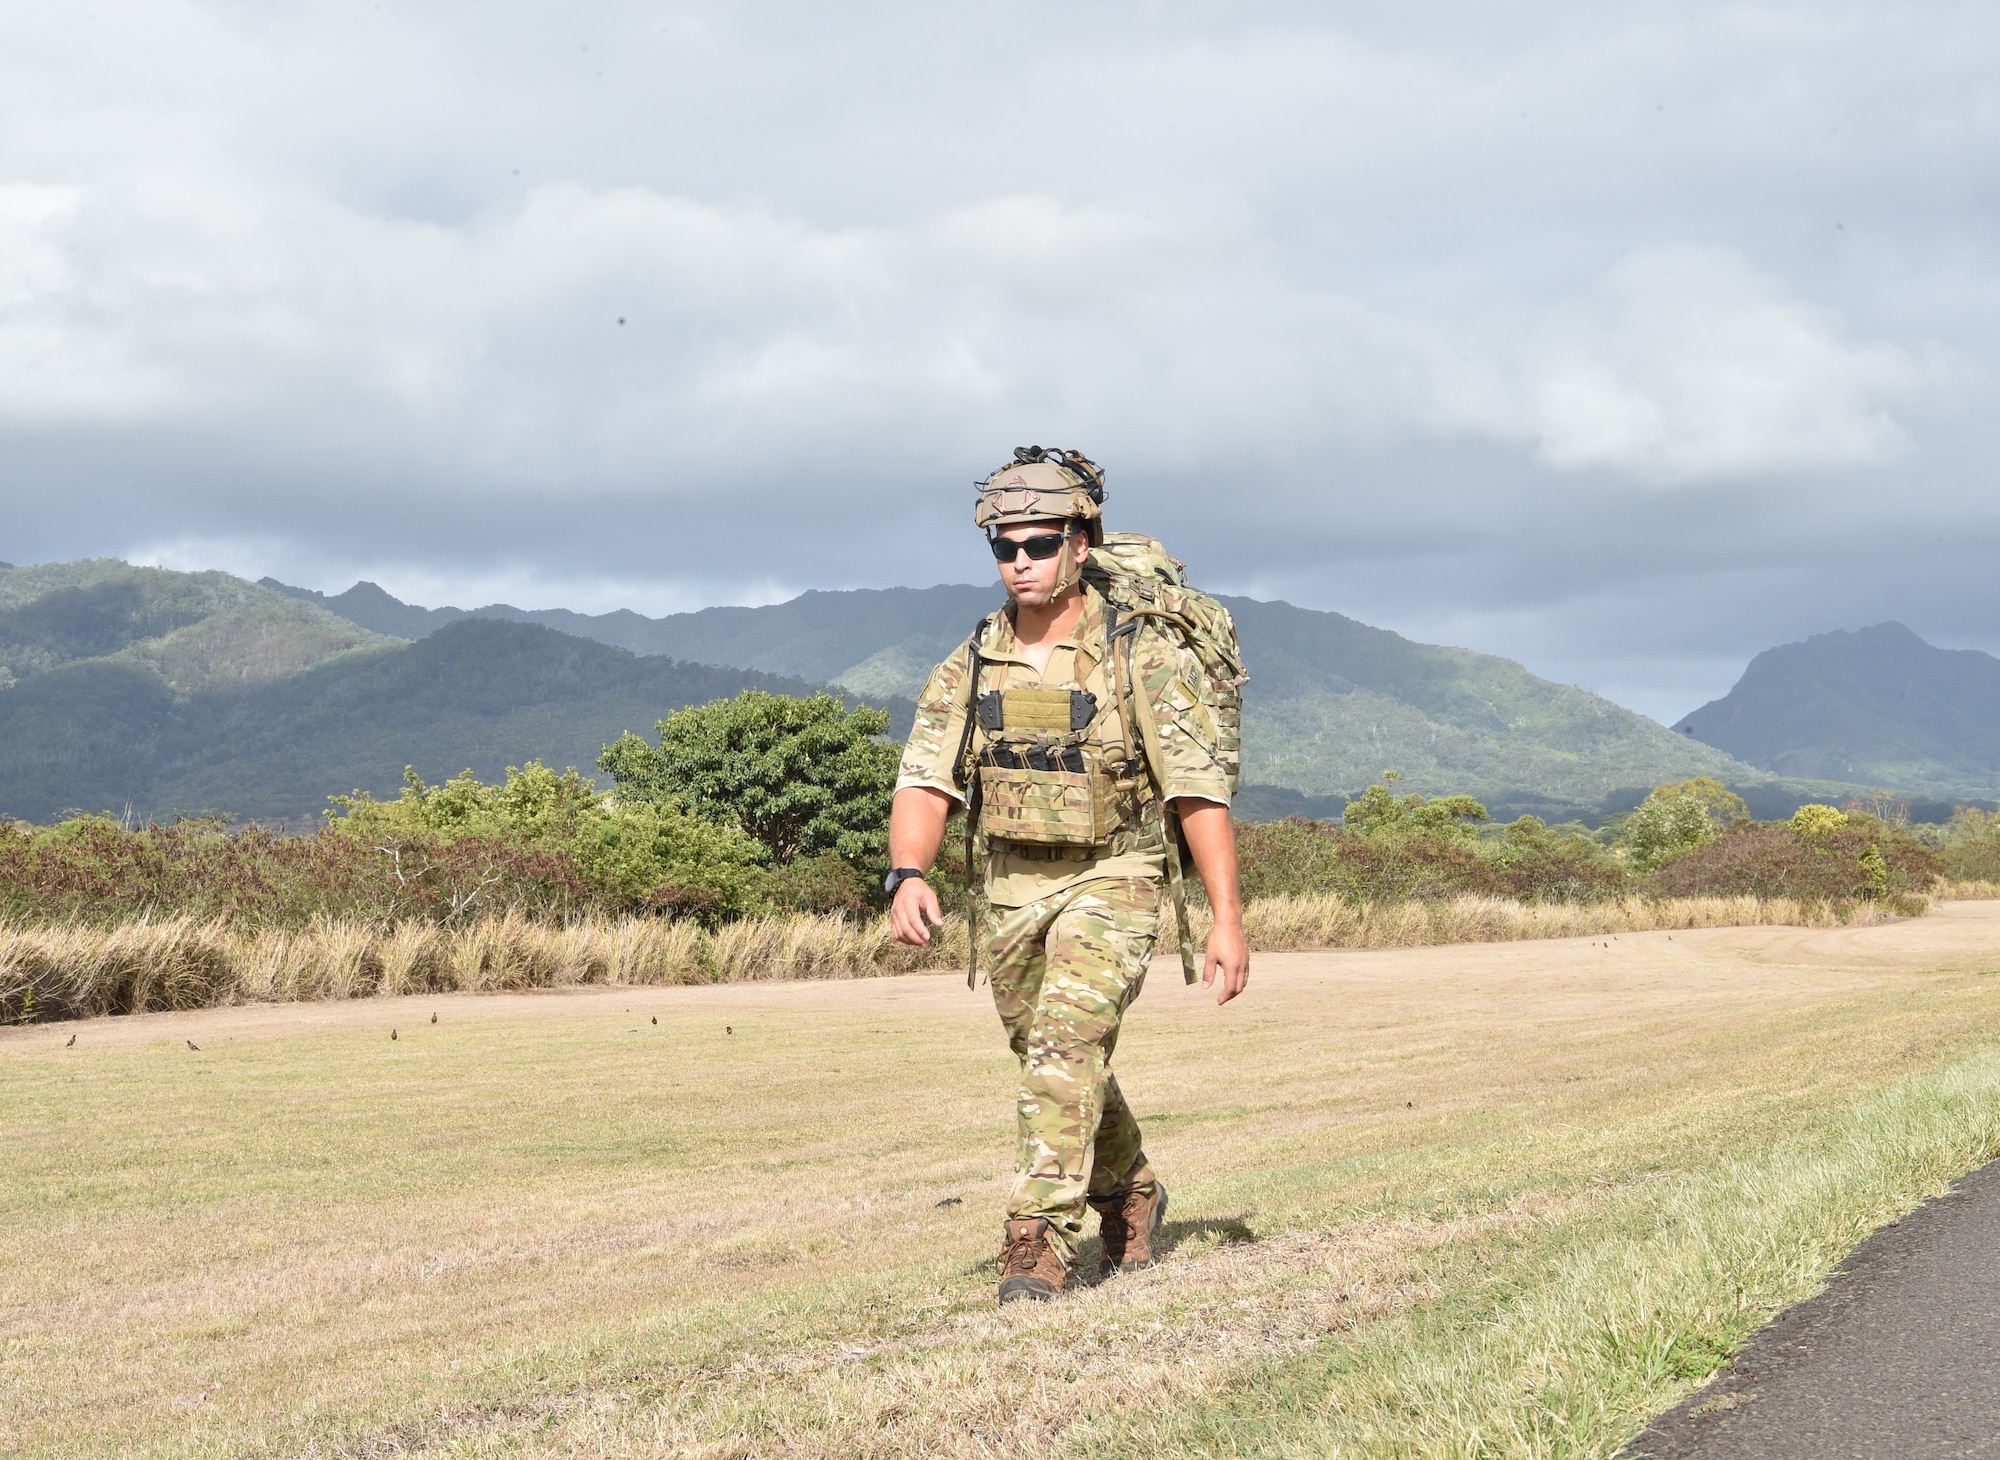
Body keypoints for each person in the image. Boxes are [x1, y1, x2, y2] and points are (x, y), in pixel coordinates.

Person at [885, 447, 1250, 1305]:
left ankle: (1037, 1239)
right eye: (1004, 547)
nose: (1020, 562)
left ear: (1080, 544)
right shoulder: (971, 660)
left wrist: (1226, 916)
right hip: (1011, 884)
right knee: (1049, 1056)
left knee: (1064, 1043)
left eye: (1039, 544)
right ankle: (1131, 1192)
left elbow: (1197, 790)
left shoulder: (1139, 656)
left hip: (1117, 874)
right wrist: (906, 872)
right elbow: (925, 779)